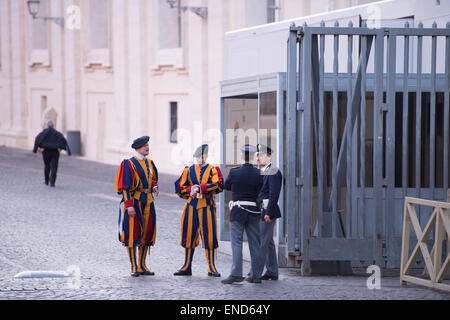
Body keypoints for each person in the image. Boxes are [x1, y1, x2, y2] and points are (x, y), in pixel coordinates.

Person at [174, 144, 224, 277]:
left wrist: (200, 188)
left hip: (207, 205)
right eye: (197, 157)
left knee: (209, 235)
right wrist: (190, 190)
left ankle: (211, 267)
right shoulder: (188, 170)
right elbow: (179, 187)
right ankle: (186, 266)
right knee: (189, 234)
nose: (200, 159)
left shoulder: (213, 169)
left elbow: (218, 185)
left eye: (202, 156)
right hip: (192, 205)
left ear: (206, 156)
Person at [114, 136, 159, 277]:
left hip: (149, 201)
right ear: (138, 147)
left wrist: (155, 186)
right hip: (135, 202)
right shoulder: (128, 164)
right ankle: (134, 266)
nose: (147, 147)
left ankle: (142, 265)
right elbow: (125, 187)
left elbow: (152, 179)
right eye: (145, 145)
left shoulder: (150, 163)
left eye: (148, 145)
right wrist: (128, 205)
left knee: (147, 233)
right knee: (132, 234)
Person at [222, 144, 264, 284]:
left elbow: (226, 186)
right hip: (253, 212)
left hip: (238, 211)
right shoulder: (259, 173)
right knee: (255, 244)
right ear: (253, 157)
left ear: (241, 155)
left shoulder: (235, 172)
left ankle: (236, 274)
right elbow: (261, 188)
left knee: (237, 242)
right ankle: (257, 275)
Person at [246, 144, 282, 282]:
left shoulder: (273, 171)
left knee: (261, 242)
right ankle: (272, 271)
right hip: (261, 210)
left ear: (269, 156)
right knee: (268, 243)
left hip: (267, 211)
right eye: (257, 155)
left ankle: (255, 273)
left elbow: (274, 195)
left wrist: (268, 212)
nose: (258, 157)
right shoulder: (264, 171)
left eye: (261, 155)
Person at [32, 120, 71, 187]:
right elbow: (63, 141)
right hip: (55, 152)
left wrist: (37, 148)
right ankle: (52, 182)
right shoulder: (57, 133)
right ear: (53, 126)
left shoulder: (43, 133)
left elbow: (37, 139)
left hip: (46, 151)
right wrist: (61, 148)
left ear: (47, 125)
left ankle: (46, 181)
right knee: (54, 167)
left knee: (47, 166)